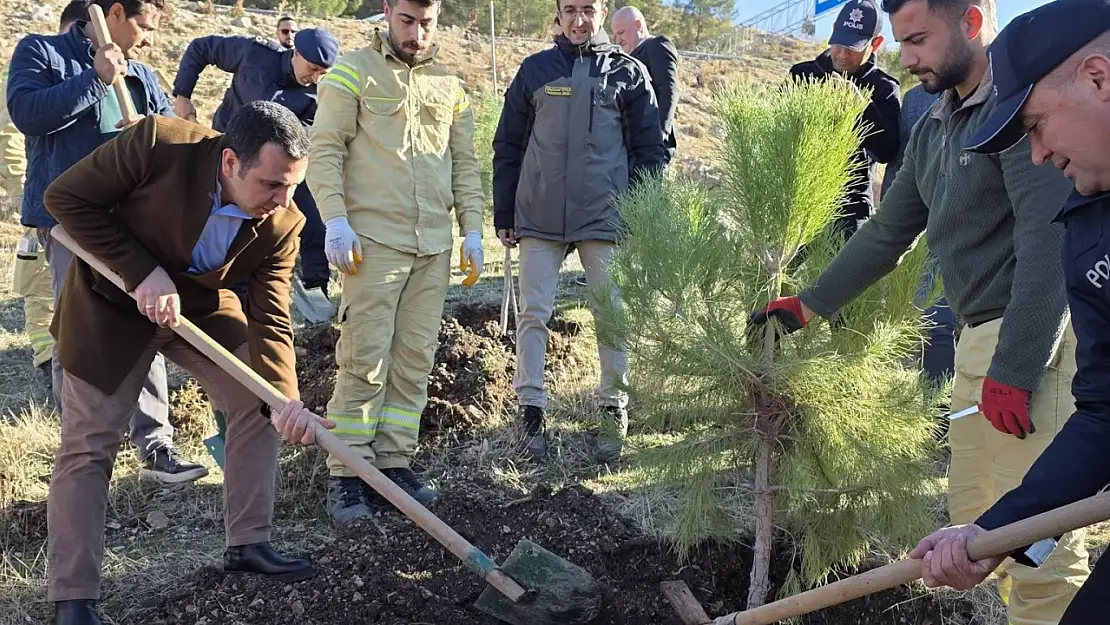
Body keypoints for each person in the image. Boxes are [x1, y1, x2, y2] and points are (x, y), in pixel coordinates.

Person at [749, 0, 1091, 622]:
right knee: (973, 528)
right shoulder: (937, 125)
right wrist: (811, 302)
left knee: (1039, 548)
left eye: (918, 41)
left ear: (970, 23)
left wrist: (1017, 367)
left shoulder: (1016, 115)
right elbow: (889, 231)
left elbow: (1049, 242)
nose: (906, 59)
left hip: (1031, 347)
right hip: (971, 343)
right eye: (902, 43)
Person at [42, 101, 334, 625]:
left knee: (259, 404)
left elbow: (272, 316)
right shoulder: (158, 143)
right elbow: (64, 199)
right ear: (229, 163)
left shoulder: (283, 222)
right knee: (90, 444)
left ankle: (249, 544)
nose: (283, 199)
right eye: (271, 184)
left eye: (292, 185)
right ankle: (74, 597)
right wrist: (140, 271)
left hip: (198, 307)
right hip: (110, 305)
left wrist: (285, 398)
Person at [908, 1, 1110, 621]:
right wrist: (996, 532)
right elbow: (1105, 414)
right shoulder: (1090, 228)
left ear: (1098, 79)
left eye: (1038, 123)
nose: (1040, 154)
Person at [6, 0, 206, 484]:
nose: (148, 38)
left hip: (132, 223)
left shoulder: (139, 73)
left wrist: (154, 132)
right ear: (115, 14)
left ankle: (156, 445)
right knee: (75, 334)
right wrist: (95, 78)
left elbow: (169, 133)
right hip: (70, 223)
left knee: (146, 321)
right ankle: (83, 448)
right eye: (143, 25)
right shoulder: (43, 52)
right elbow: (27, 114)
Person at [307, 0, 485, 525]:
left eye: (427, 22)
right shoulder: (351, 72)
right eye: (408, 21)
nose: (417, 33)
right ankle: (348, 474)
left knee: (414, 359)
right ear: (387, 11)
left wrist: (472, 230)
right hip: (373, 242)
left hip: (431, 247)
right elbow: (325, 150)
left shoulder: (450, 84)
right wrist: (335, 220)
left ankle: (393, 464)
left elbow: (465, 165)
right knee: (364, 355)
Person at [492, 0, 665, 462]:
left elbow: (650, 150)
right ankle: (530, 412)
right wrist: (505, 212)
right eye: (569, 9)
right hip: (539, 213)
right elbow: (508, 143)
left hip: (605, 215)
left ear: (602, 11)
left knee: (611, 313)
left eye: (587, 9)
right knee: (534, 312)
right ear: (557, 13)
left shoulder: (627, 73)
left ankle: (613, 410)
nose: (578, 19)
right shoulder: (534, 70)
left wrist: (642, 213)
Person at [172, 29, 338, 306]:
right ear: (296, 52)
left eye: (322, 72)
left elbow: (308, 136)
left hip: (274, 170)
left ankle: (314, 287)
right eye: (312, 68)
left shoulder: (316, 95)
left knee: (312, 215)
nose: (315, 77)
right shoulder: (254, 54)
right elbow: (201, 47)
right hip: (227, 158)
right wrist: (183, 94)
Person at [3, 2, 87, 388]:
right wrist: (19, 189)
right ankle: (46, 361)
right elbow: (10, 136)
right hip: (42, 200)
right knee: (41, 284)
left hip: (62, 201)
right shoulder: (38, 62)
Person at [789, 0, 901, 239]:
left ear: (876, 44)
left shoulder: (884, 89)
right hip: (795, 204)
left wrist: (862, 108)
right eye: (838, 43)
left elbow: (887, 151)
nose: (841, 54)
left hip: (850, 210)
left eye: (853, 47)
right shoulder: (802, 75)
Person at [880, 83, 956, 392]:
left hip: (991, 238)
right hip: (930, 231)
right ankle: (935, 418)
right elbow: (900, 167)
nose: (911, 59)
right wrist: (892, 219)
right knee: (935, 323)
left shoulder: (1005, 89)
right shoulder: (915, 100)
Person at [611, 6, 679, 164]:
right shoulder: (625, 61)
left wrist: (658, 137)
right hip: (631, 149)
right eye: (614, 35)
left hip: (650, 150)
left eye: (620, 32)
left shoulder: (656, 46)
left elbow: (669, 90)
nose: (617, 40)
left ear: (638, 26)